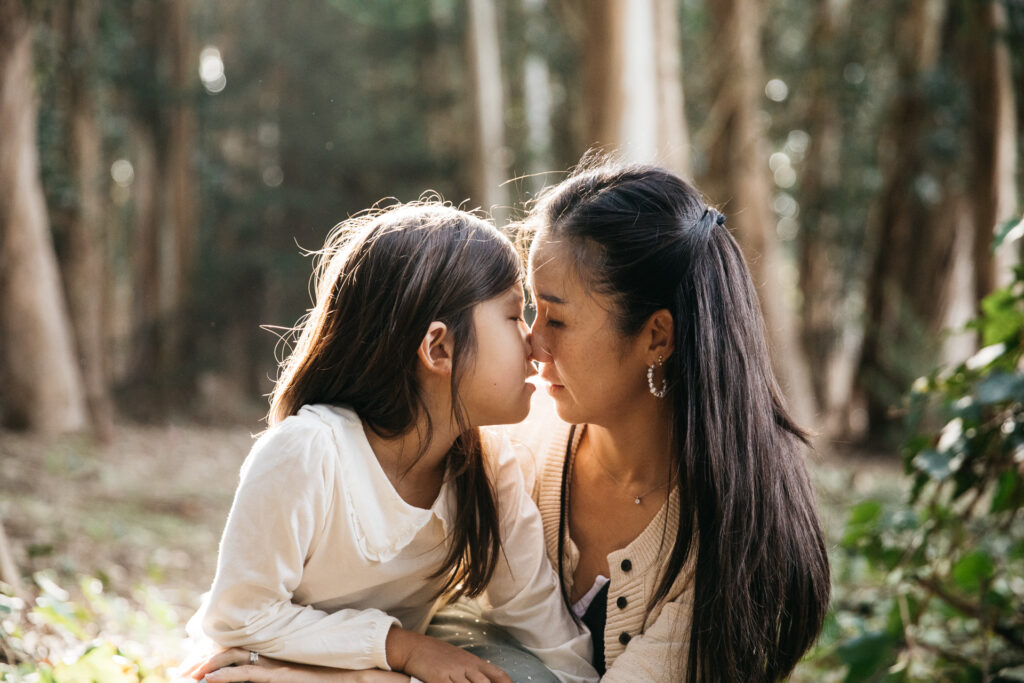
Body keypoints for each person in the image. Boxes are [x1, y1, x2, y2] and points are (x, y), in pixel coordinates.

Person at [177, 202, 598, 683]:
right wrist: (401, 648)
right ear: (438, 347)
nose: (534, 344)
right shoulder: (309, 451)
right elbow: (239, 618)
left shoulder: (488, 464)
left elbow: (550, 640)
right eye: (512, 316)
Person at [510, 161, 831, 682]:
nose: (533, 341)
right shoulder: (517, 446)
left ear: (657, 337)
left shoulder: (735, 515)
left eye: (558, 319)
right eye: (531, 309)